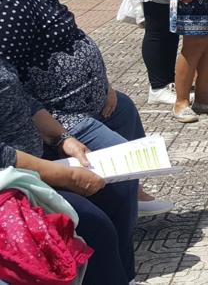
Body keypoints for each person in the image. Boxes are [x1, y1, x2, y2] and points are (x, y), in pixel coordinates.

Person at [0, 0, 173, 218]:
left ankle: (131, 199)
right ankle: (117, 223)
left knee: (124, 108)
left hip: (88, 102)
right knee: (121, 165)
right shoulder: (9, 2)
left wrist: (101, 84)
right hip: (60, 117)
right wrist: (57, 131)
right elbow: (12, 83)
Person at [1, 61, 139, 284]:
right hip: (11, 181)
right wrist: (68, 176)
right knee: (91, 224)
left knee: (117, 191)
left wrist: (61, 137)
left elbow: (22, 97)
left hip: (35, 164)